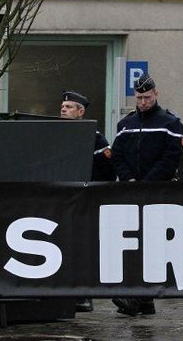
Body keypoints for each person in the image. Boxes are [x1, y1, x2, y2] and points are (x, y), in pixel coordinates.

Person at [110, 73, 183, 316]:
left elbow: (171, 158)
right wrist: (129, 179)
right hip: (133, 191)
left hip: (159, 192)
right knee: (135, 245)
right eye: (140, 97)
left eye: (147, 97)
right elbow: (118, 155)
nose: (143, 102)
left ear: (156, 94)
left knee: (152, 246)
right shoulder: (125, 125)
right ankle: (142, 300)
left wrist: (148, 181)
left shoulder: (170, 123)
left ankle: (139, 298)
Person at [61, 90, 116, 312]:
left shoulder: (95, 138)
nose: (63, 109)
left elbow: (107, 171)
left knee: (83, 249)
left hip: (84, 200)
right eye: (63, 106)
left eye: (69, 107)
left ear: (81, 112)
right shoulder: (55, 134)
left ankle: (84, 295)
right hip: (61, 200)